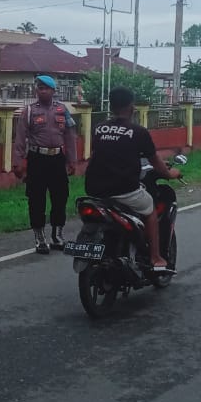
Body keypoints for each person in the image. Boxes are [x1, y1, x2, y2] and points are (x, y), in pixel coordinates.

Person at [84, 86, 181, 271]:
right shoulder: (138, 132)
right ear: (131, 107)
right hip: (123, 189)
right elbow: (156, 161)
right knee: (150, 209)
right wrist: (170, 174)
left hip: (94, 188)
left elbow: (107, 152)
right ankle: (155, 257)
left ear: (111, 106)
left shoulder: (98, 128)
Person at [12, 74, 79, 254]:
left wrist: (72, 160)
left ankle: (57, 235)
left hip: (57, 159)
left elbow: (70, 136)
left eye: (46, 88)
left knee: (60, 197)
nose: (42, 91)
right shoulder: (29, 111)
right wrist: (17, 162)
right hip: (37, 159)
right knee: (36, 199)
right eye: (40, 88)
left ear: (53, 91)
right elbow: (20, 138)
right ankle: (39, 237)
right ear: (37, 91)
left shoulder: (62, 110)